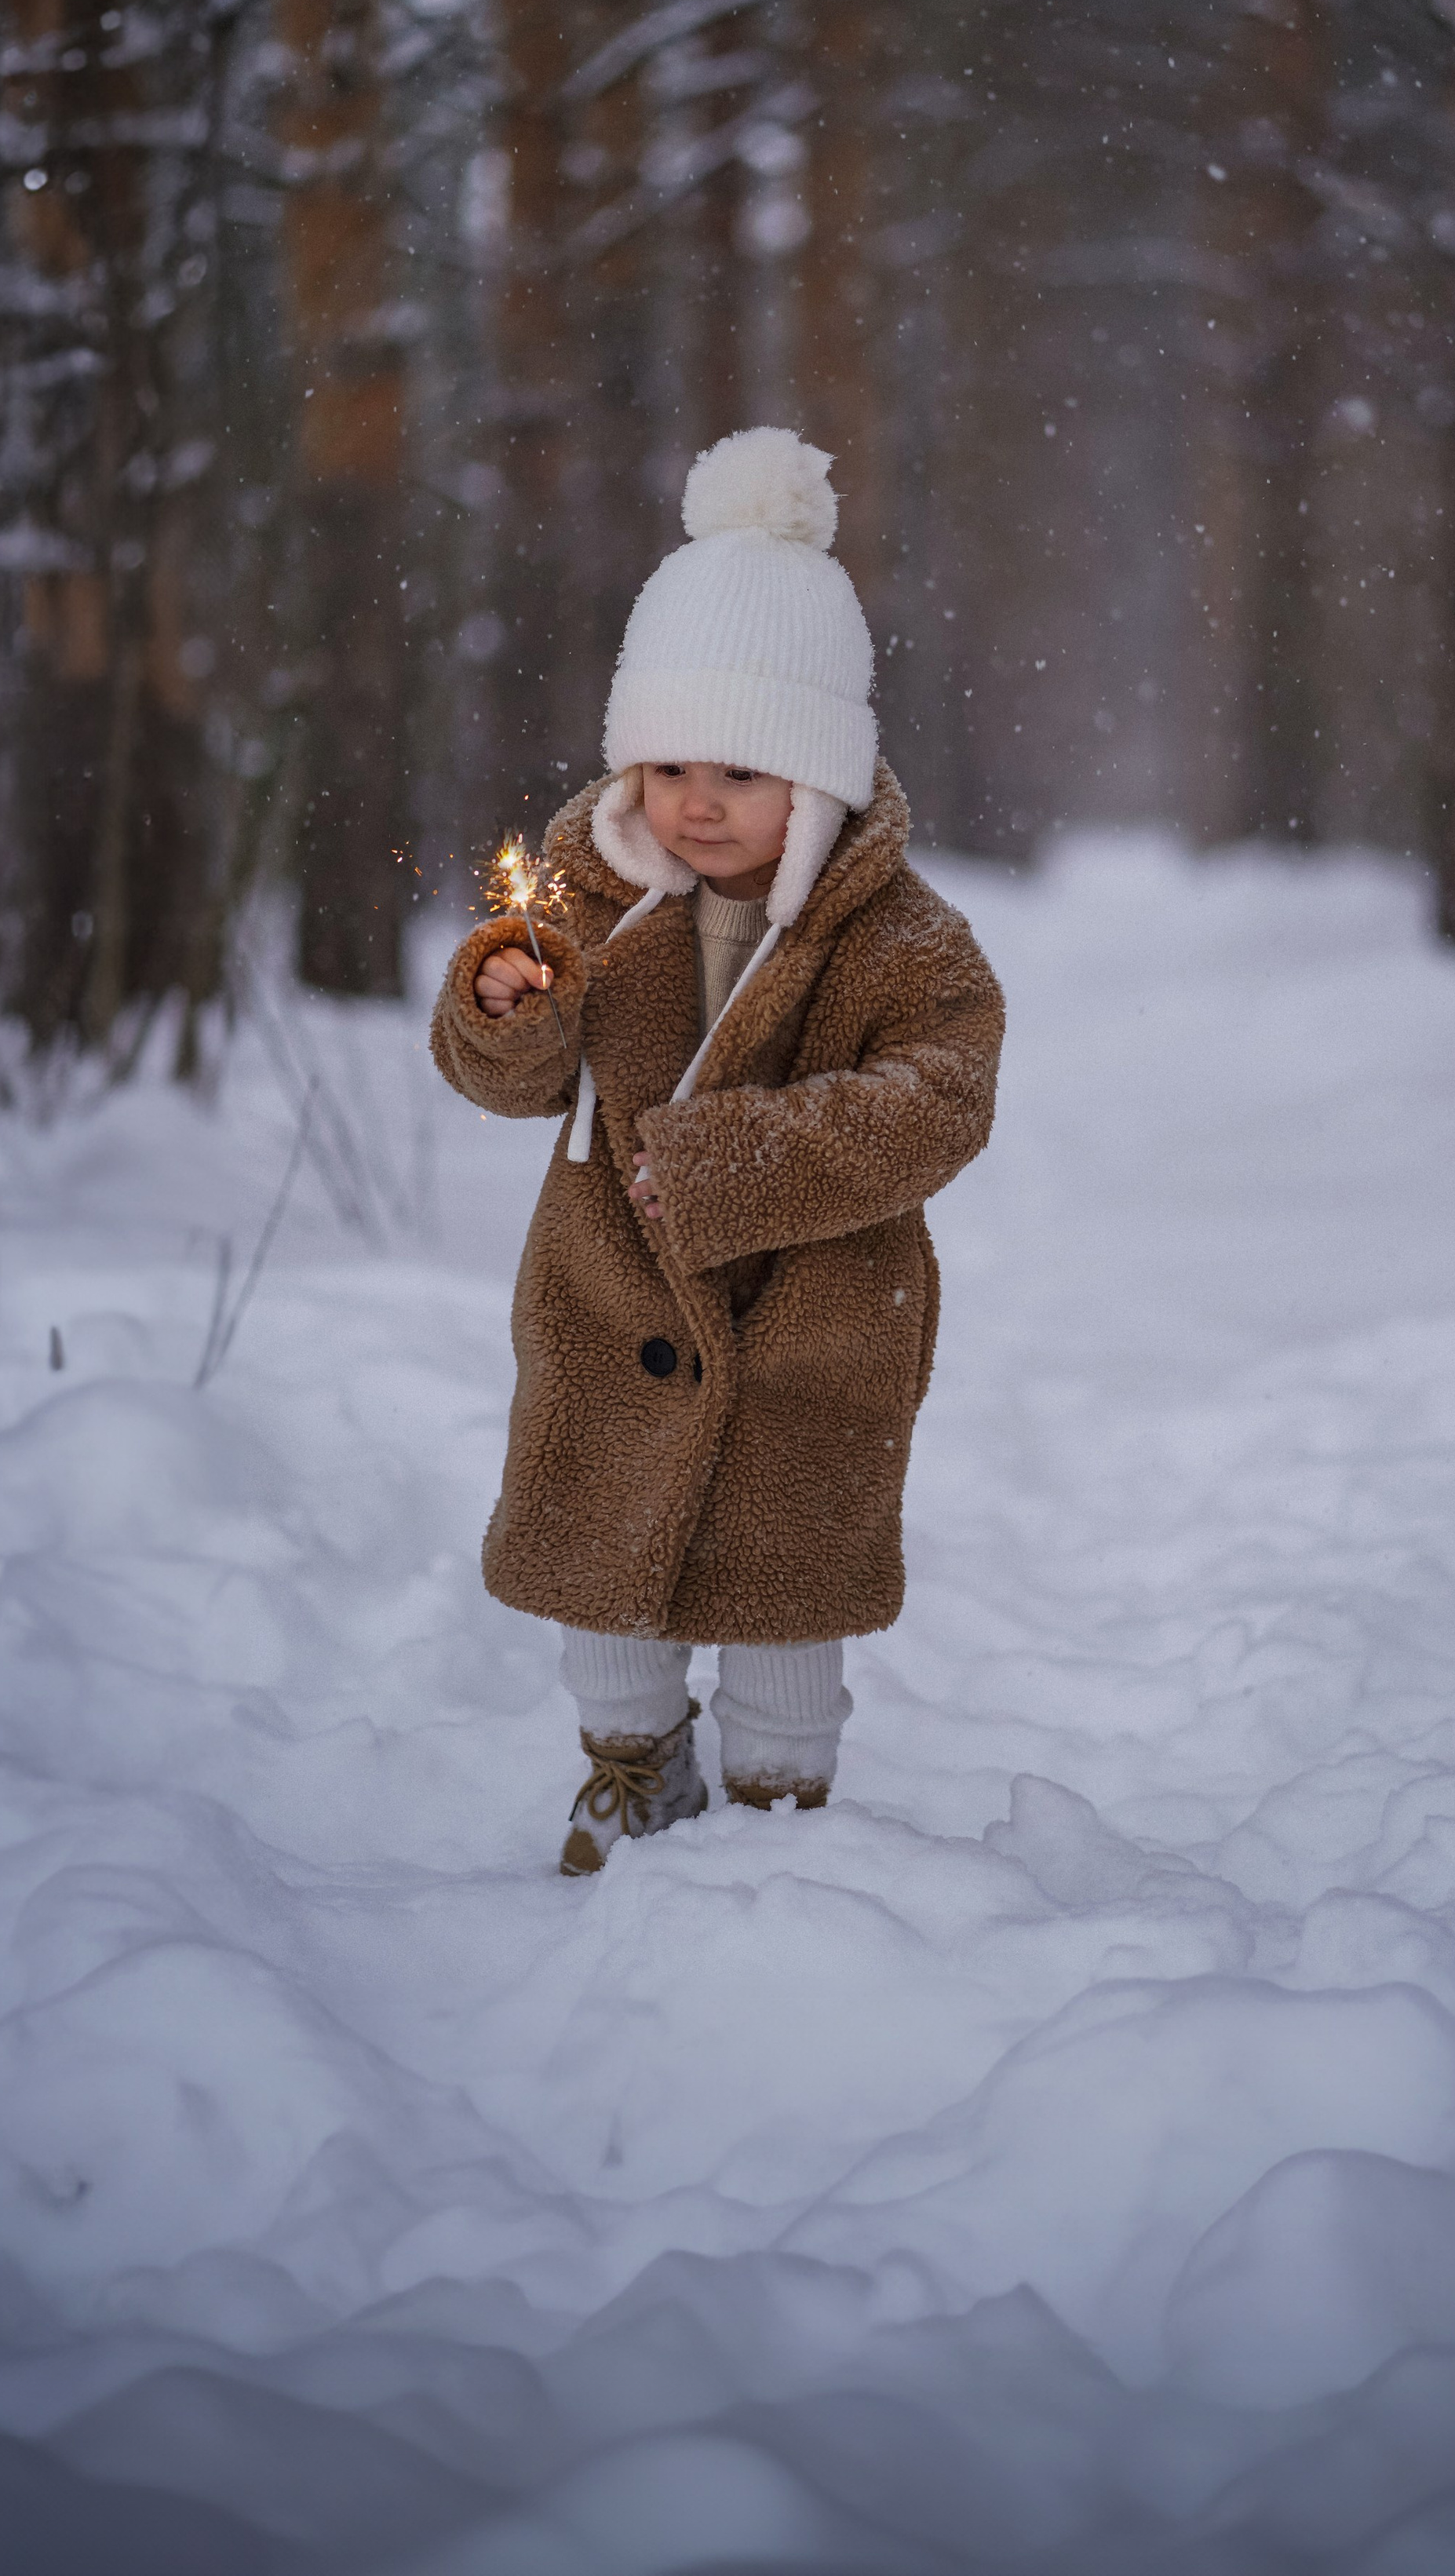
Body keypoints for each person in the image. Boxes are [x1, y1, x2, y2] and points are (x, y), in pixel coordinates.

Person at [430, 428, 1004, 1874]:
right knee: (604, 1580)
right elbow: (512, 1079)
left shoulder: (901, 938)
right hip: (609, 1301)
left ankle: (777, 1808)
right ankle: (629, 1765)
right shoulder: (584, 893)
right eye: (670, 759)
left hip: (815, 1324)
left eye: (741, 768)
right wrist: (504, 1015)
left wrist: (740, 1157)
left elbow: (943, 1095)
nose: (696, 798)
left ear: (820, 775)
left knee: (786, 1599)